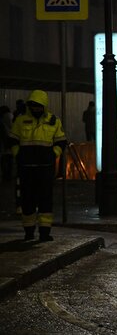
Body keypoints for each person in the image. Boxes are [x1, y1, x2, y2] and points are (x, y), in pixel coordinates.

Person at [8, 90, 67, 241]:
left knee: (45, 200)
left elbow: (61, 141)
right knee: (27, 200)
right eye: (33, 106)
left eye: (38, 106)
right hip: (26, 167)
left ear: (44, 106)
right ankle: (28, 232)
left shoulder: (54, 121)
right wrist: (18, 155)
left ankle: (44, 233)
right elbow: (12, 141)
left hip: (45, 168)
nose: (36, 109)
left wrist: (53, 154)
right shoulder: (20, 121)